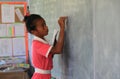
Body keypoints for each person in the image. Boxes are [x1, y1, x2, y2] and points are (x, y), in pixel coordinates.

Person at [23, 14, 67, 79]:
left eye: (45, 24)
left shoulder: (43, 41)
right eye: (42, 26)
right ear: (34, 31)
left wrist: (54, 45)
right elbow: (58, 50)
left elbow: (50, 57)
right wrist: (62, 28)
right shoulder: (37, 44)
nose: (46, 27)